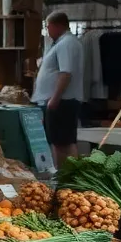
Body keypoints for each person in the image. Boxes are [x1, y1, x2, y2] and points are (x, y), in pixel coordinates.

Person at [33, 11, 84, 163]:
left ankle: (67, 177)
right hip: (59, 101)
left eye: (48, 27)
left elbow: (65, 73)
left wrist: (54, 99)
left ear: (57, 26)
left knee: (63, 142)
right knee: (57, 142)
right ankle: (61, 175)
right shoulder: (61, 43)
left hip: (62, 101)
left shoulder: (66, 43)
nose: (47, 32)